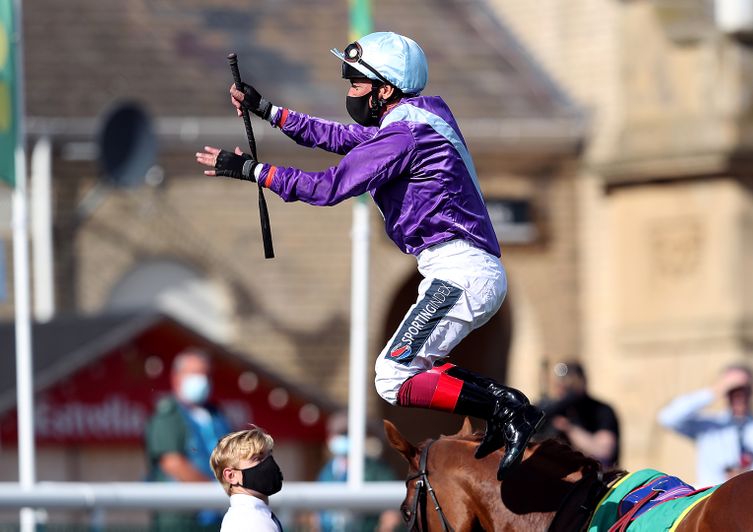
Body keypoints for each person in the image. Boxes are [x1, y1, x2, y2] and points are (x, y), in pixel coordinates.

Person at [195, 31, 543, 480]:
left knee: (392, 377)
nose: (350, 92)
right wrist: (269, 111)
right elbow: (342, 137)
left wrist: (251, 170)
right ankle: (505, 409)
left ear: (385, 88)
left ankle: (508, 408)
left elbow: (328, 187)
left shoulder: (405, 136)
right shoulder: (415, 118)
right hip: (458, 270)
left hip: (461, 272)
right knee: (408, 370)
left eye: (356, 83)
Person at [657, 363, 753, 486]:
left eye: (743, 390)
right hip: (711, 503)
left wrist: (752, 478)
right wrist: (715, 391)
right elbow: (668, 418)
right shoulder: (709, 426)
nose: (739, 397)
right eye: (732, 391)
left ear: (752, 391)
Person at [144, 348, 232, 531]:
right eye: (194, 374)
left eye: (205, 374)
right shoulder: (168, 416)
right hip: (180, 520)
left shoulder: (217, 415)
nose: (201, 380)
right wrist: (216, 491)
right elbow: (172, 463)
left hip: (217, 519)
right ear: (176, 378)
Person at [314, 413, 401, 532]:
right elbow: (318, 514)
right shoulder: (326, 472)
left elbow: (391, 515)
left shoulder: (378, 471)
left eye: (347, 433)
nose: (343, 438)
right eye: (339, 433)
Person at [538, 361, 620, 469]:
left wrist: (569, 428)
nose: (564, 390)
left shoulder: (601, 410)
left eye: (570, 386)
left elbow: (604, 452)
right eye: (560, 385)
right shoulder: (552, 411)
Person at [210, 426, 285, 532]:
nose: (269, 463)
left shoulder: (253, 515)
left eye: (269, 456)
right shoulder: (250, 521)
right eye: (257, 458)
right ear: (231, 476)